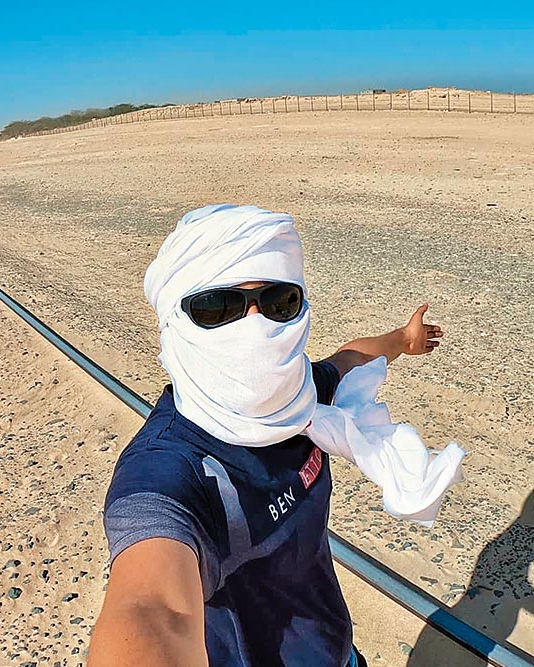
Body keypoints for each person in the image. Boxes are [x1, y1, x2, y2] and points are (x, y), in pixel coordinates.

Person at [87, 204, 460, 667]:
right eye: (217, 307)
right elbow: (150, 610)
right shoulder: (169, 471)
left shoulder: (300, 399)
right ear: (173, 321)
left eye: (278, 301)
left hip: (337, 653)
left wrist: (402, 341)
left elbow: (349, 359)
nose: (256, 326)